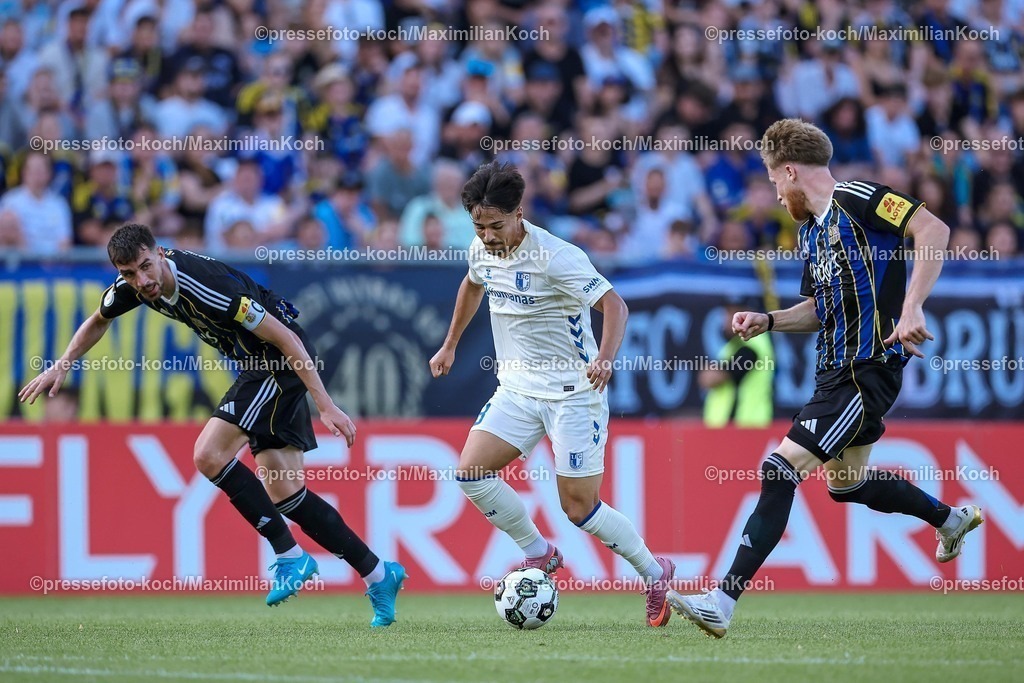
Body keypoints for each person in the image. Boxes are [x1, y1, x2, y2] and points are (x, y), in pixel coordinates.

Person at [668, 119, 983, 638]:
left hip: (865, 371)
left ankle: (721, 601)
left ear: (790, 170)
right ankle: (948, 519)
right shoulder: (812, 233)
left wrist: (912, 308)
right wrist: (770, 320)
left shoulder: (859, 197)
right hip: (832, 373)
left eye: (773, 180)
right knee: (848, 484)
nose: (774, 192)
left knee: (778, 469)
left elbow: (934, 230)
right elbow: (819, 307)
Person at [19, 224, 406, 626]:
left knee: (208, 454)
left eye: (147, 267)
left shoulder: (209, 287)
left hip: (275, 361)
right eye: (131, 273)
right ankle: (379, 574)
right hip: (259, 366)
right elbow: (99, 318)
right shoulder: (133, 286)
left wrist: (325, 405)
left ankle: (290, 556)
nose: (143, 280)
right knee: (286, 492)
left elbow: (287, 338)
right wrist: (63, 362)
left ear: (161, 252)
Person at [429, 162, 676, 627]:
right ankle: (538, 553)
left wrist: (604, 357)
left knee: (578, 507)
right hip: (517, 392)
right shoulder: (482, 250)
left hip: (573, 395)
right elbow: (472, 283)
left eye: (496, 225)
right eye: (478, 226)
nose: (487, 235)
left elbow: (614, 305)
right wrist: (450, 345)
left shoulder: (557, 257)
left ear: (519, 213)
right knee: (470, 473)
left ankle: (653, 570)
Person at [701, 295, 774, 429]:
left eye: (736, 313)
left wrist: (712, 371)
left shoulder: (753, 345)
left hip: (748, 428)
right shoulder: (733, 345)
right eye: (727, 312)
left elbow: (711, 379)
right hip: (733, 429)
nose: (729, 319)